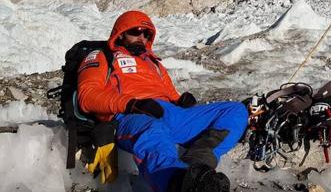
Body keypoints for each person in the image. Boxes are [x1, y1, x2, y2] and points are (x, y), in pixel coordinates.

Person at [77, 10, 248, 192]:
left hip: (169, 114)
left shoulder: (154, 63)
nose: (141, 37)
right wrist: (132, 104)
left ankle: (198, 168)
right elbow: (88, 95)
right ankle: (178, 182)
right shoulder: (103, 56)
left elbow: (170, 95)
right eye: (135, 32)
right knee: (152, 132)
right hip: (129, 115)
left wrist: (181, 101)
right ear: (120, 33)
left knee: (235, 110)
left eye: (146, 33)